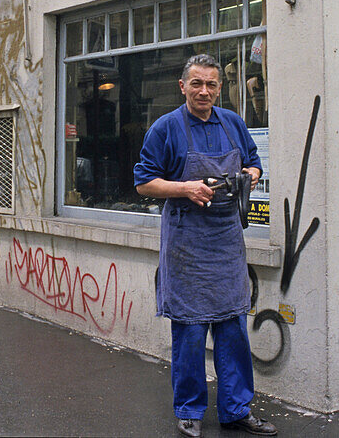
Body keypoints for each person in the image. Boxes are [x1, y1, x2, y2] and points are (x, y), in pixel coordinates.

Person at [134, 54, 276, 438]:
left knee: (233, 330)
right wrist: (185, 188)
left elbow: (255, 161)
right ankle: (189, 411)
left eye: (212, 84)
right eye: (197, 83)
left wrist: (250, 174)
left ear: (219, 88)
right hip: (186, 244)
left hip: (227, 241)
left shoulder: (232, 123)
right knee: (191, 334)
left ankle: (235, 409)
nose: (204, 91)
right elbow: (144, 182)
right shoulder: (165, 128)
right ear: (183, 86)